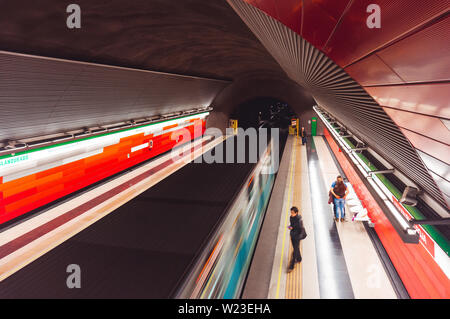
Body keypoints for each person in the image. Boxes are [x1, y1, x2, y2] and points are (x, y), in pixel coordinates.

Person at [287, 206, 304, 272]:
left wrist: (293, 228)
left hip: (297, 237)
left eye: (293, 213)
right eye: (291, 212)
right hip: (292, 235)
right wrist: (290, 227)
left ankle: (291, 266)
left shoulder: (299, 220)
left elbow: (300, 229)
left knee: (295, 251)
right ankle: (299, 259)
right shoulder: (291, 217)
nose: (291, 214)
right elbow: (292, 225)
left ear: (296, 213)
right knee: (296, 248)